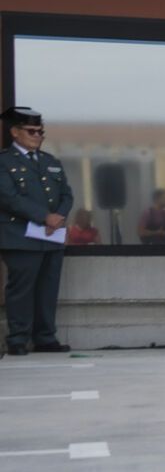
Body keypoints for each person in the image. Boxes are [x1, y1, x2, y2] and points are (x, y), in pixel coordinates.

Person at [1, 105, 73, 355]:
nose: (38, 136)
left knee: (48, 288)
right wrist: (45, 216)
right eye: (31, 131)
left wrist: (60, 216)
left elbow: (66, 193)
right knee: (22, 288)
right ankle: (18, 339)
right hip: (20, 237)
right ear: (15, 132)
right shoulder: (4, 162)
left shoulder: (50, 161)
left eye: (41, 131)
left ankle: (45, 337)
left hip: (51, 237)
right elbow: (9, 198)